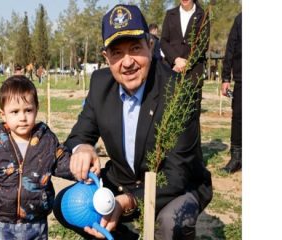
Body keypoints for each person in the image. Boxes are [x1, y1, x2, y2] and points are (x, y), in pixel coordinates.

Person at [53, 4, 212, 240]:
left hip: (175, 186)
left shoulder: (178, 91)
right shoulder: (100, 84)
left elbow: (178, 173)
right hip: (121, 181)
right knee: (65, 206)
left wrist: (126, 202)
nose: (127, 63)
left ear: (150, 45)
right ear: (106, 57)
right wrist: (83, 147)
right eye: (116, 53)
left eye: (135, 48)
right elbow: (78, 135)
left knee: (173, 224)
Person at [0, 75, 74, 239]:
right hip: (6, 225)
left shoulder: (47, 140)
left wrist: (82, 170)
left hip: (38, 222)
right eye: (15, 112)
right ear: (3, 114)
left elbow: (63, 162)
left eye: (28, 110)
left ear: (36, 108)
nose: (22, 117)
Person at [160, 0, 209, 115]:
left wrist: (187, 63)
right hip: (172, 71)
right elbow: (163, 41)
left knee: (192, 118)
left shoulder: (203, 15)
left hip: (193, 74)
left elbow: (203, 44)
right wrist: (176, 59)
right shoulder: (170, 14)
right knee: (170, 114)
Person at [221, 12, 242, 174]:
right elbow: (231, 48)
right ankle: (236, 157)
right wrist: (226, 77)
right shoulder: (241, 19)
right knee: (239, 117)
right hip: (243, 77)